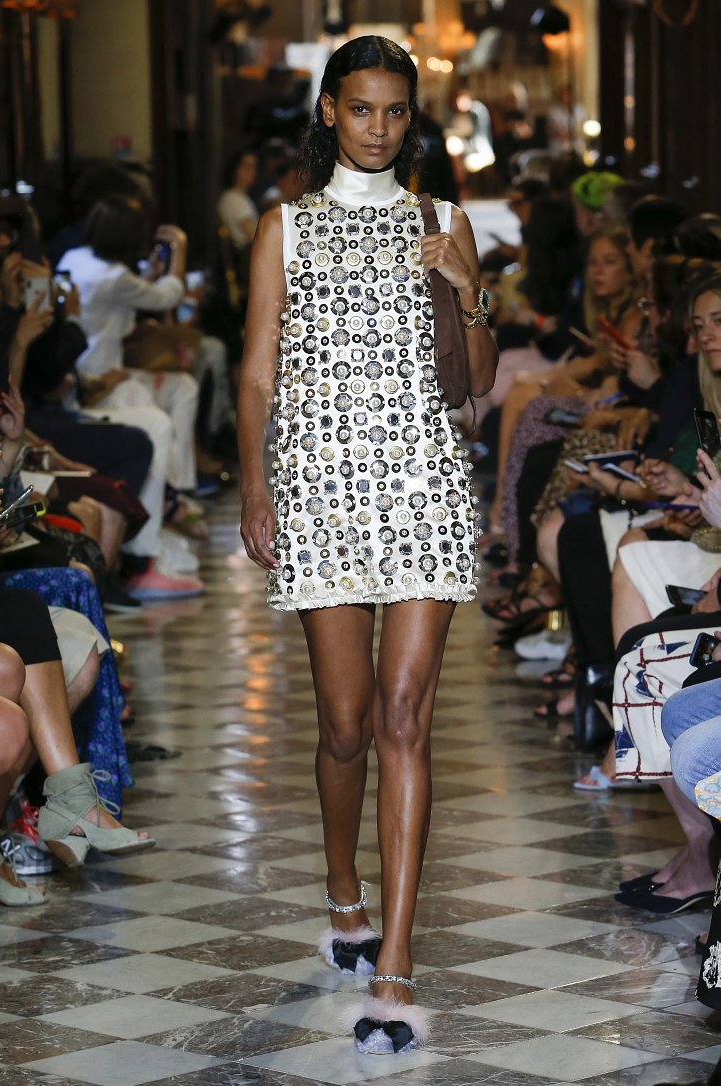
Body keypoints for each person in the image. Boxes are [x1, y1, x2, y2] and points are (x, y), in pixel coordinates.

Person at [238, 35, 497, 1055]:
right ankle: (343, 890)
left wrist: (469, 287)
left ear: (411, 118)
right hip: (319, 489)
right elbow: (257, 371)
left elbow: (475, 380)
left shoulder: (445, 220)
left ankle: (394, 965)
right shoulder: (284, 228)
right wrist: (255, 485)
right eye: (360, 109)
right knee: (343, 727)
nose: (378, 128)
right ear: (329, 112)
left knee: (402, 716)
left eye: (395, 111)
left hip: (422, 484)